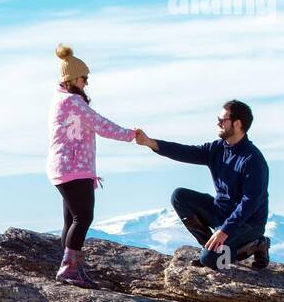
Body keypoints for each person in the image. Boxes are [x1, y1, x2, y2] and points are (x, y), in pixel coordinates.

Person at [134, 100, 271, 269]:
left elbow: (250, 202)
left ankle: (258, 244)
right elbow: (186, 152)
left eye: (222, 120)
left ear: (237, 123)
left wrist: (226, 230)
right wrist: (150, 143)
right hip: (221, 213)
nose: (218, 123)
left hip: (248, 223)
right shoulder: (217, 149)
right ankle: (211, 247)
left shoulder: (253, 160)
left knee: (212, 261)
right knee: (180, 196)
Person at [47, 44, 141, 288]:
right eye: (84, 78)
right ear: (73, 78)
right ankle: (69, 269)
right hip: (73, 166)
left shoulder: (61, 101)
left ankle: (70, 268)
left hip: (64, 168)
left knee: (71, 219)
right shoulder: (73, 103)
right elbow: (101, 125)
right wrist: (131, 135)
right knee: (83, 216)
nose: (86, 83)